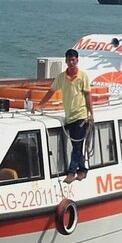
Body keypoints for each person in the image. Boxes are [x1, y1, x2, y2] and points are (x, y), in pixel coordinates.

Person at [35, 48, 94, 183]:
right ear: (66, 61)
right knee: (76, 145)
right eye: (69, 60)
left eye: (73, 60)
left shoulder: (83, 76)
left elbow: (87, 95)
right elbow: (51, 92)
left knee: (77, 146)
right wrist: (40, 105)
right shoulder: (61, 77)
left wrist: (91, 113)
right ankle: (83, 169)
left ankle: (72, 172)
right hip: (69, 115)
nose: (71, 62)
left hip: (81, 115)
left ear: (77, 61)